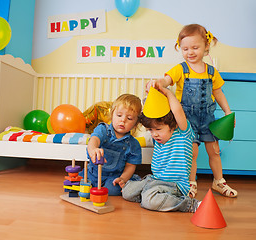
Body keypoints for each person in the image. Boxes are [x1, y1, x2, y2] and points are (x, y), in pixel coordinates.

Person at [146, 24, 237, 198]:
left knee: (214, 151)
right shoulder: (181, 69)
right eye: (185, 48)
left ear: (206, 47)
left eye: (195, 47)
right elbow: (167, 79)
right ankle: (190, 183)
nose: (190, 52)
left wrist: (227, 112)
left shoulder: (211, 72)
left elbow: (218, 92)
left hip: (208, 119)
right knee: (192, 152)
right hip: (186, 120)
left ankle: (219, 181)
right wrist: (159, 83)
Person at [122, 86, 201, 212]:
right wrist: (153, 93)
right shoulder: (158, 138)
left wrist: (166, 92)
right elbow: (150, 111)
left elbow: (177, 110)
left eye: (158, 129)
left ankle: (189, 204)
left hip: (175, 185)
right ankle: (152, 195)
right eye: (150, 130)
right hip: (155, 180)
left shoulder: (182, 133)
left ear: (173, 125)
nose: (154, 134)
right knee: (127, 191)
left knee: (149, 201)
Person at [85, 93, 142, 196]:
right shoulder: (103, 129)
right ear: (112, 115)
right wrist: (93, 149)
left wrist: (123, 178)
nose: (123, 120)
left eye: (129, 118)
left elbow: (130, 166)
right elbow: (94, 139)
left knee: (113, 191)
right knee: (83, 186)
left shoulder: (134, 145)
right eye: (119, 115)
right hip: (93, 174)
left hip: (114, 177)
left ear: (135, 124)